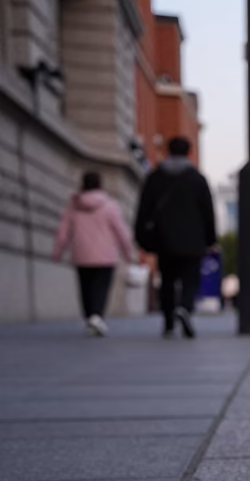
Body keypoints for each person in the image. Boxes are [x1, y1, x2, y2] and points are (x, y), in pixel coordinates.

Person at [134, 136, 216, 339]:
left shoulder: (155, 177)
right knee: (190, 277)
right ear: (189, 151)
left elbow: (144, 210)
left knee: (167, 279)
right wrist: (210, 238)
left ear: (168, 151)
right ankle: (185, 308)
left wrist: (141, 236)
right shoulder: (197, 179)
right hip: (193, 239)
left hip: (164, 239)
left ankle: (169, 322)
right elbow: (208, 211)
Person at [52, 172, 135, 336]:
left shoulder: (74, 205)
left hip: (81, 253)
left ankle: (90, 317)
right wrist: (127, 252)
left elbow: (63, 231)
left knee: (85, 287)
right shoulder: (110, 205)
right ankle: (97, 316)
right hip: (105, 255)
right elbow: (121, 231)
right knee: (101, 287)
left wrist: (58, 251)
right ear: (100, 184)